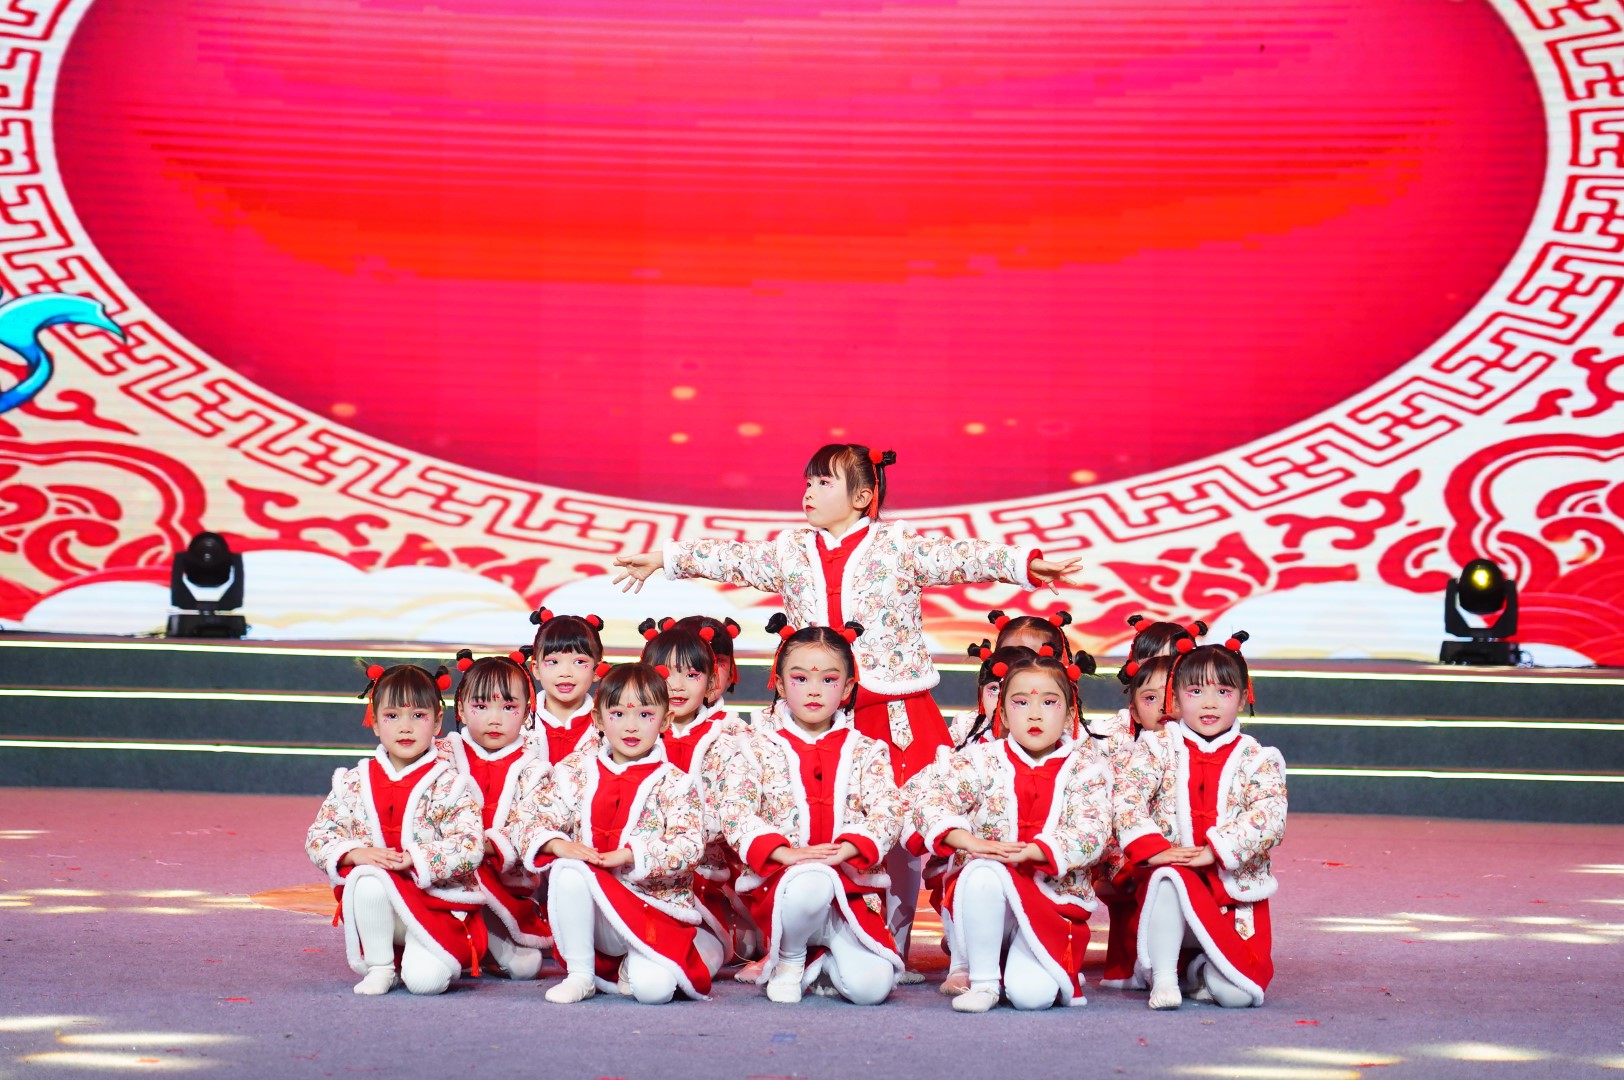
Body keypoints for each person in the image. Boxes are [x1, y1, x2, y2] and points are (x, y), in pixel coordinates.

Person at [613, 443, 1083, 963]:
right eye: (807, 482)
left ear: (862, 496)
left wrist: (1025, 565)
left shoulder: (897, 547)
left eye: (823, 483)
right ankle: (794, 946)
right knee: (798, 819)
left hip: (894, 711)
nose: (808, 492)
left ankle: (894, 945)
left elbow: (962, 557)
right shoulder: (790, 551)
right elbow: (732, 557)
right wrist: (665, 559)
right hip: (813, 713)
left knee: (900, 833)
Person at [504, 663, 720, 1004]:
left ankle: (651, 956)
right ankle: (581, 975)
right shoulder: (575, 770)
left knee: (654, 992)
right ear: (599, 719)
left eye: (645, 715)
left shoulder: (677, 783)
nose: (631, 726)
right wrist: (558, 844)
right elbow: (527, 818)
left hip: (652, 909)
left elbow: (689, 845)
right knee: (568, 868)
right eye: (618, 714)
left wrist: (631, 854)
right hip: (596, 913)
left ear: (665, 721)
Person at [909, 652, 1111, 1012]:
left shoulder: (1088, 769)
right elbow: (929, 801)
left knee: (1032, 997)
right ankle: (984, 981)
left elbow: (1092, 833)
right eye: (1021, 702)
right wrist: (970, 842)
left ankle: (1026, 963)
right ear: (1002, 713)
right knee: (983, 870)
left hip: (1054, 904)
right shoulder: (979, 760)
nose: (1034, 714)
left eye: (1049, 702)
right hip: (989, 899)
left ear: (1069, 714)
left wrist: (1034, 852)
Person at [718, 618, 904, 1005]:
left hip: (851, 892)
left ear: (848, 688)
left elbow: (889, 811)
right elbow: (735, 811)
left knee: (871, 989)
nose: (814, 690)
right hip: (787, 888)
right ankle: (790, 958)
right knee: (812, 880)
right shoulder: (756, 747)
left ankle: (821, 961)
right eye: (800, 678)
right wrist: (785, 853)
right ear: (780, 684)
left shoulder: (867, 750)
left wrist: (846, 850)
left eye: (829, 680)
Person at [1115, 633, 1287, 1009]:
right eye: (1195, 692)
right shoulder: (1155, 748)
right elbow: (1126, 800)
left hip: (1232, 893)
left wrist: (1215, 851)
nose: (1209, 703)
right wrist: (1157, 851)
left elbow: (1270, 816)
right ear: (1175, 700)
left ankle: (1197, 970)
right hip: (1171, 888)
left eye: (1223, 692)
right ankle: (1164, 978)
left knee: (1238, 995)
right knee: (1170, 876)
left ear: (1242, 698)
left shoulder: (1258, 758)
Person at [305, 663, 483, 996]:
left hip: (434, 907)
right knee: (368, 877)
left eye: (418, 715)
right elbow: (318, 836)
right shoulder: (353, 781)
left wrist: (414, 858)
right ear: (374, 722)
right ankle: (380, 966)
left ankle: (418, 953)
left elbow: (471, 845)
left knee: (425, 983)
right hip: (381, 907)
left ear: (437, 722)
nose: (405, 727)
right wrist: (356, 853)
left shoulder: (451, 784)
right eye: (391, 716)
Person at [640, 618, 759, 965]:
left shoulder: (734, 736)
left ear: (710, 680)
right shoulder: (633, 727)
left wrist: (674, 836)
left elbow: (737, 810)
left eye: (692, 674)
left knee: (703, 951)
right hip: (637, 865)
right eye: (666, 673)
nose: (677, 686)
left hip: (706, 873)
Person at [440, 649, 548, 980]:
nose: (495, 719)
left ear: (527, 711)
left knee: (527, 968)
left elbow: (532, 826)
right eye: (481, 706)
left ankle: (484, 939)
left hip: (505, 887)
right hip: (449, 879)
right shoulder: (442, 756)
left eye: (509, 707)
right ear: (461, 708)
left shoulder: (535, 768)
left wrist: (482, 846)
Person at [525, 608, 606, 764]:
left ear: (597, 669)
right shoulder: (517, 724)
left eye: (579, 662)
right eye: (553, 661)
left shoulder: (610, 727)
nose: (565, 673)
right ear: (536, 669)